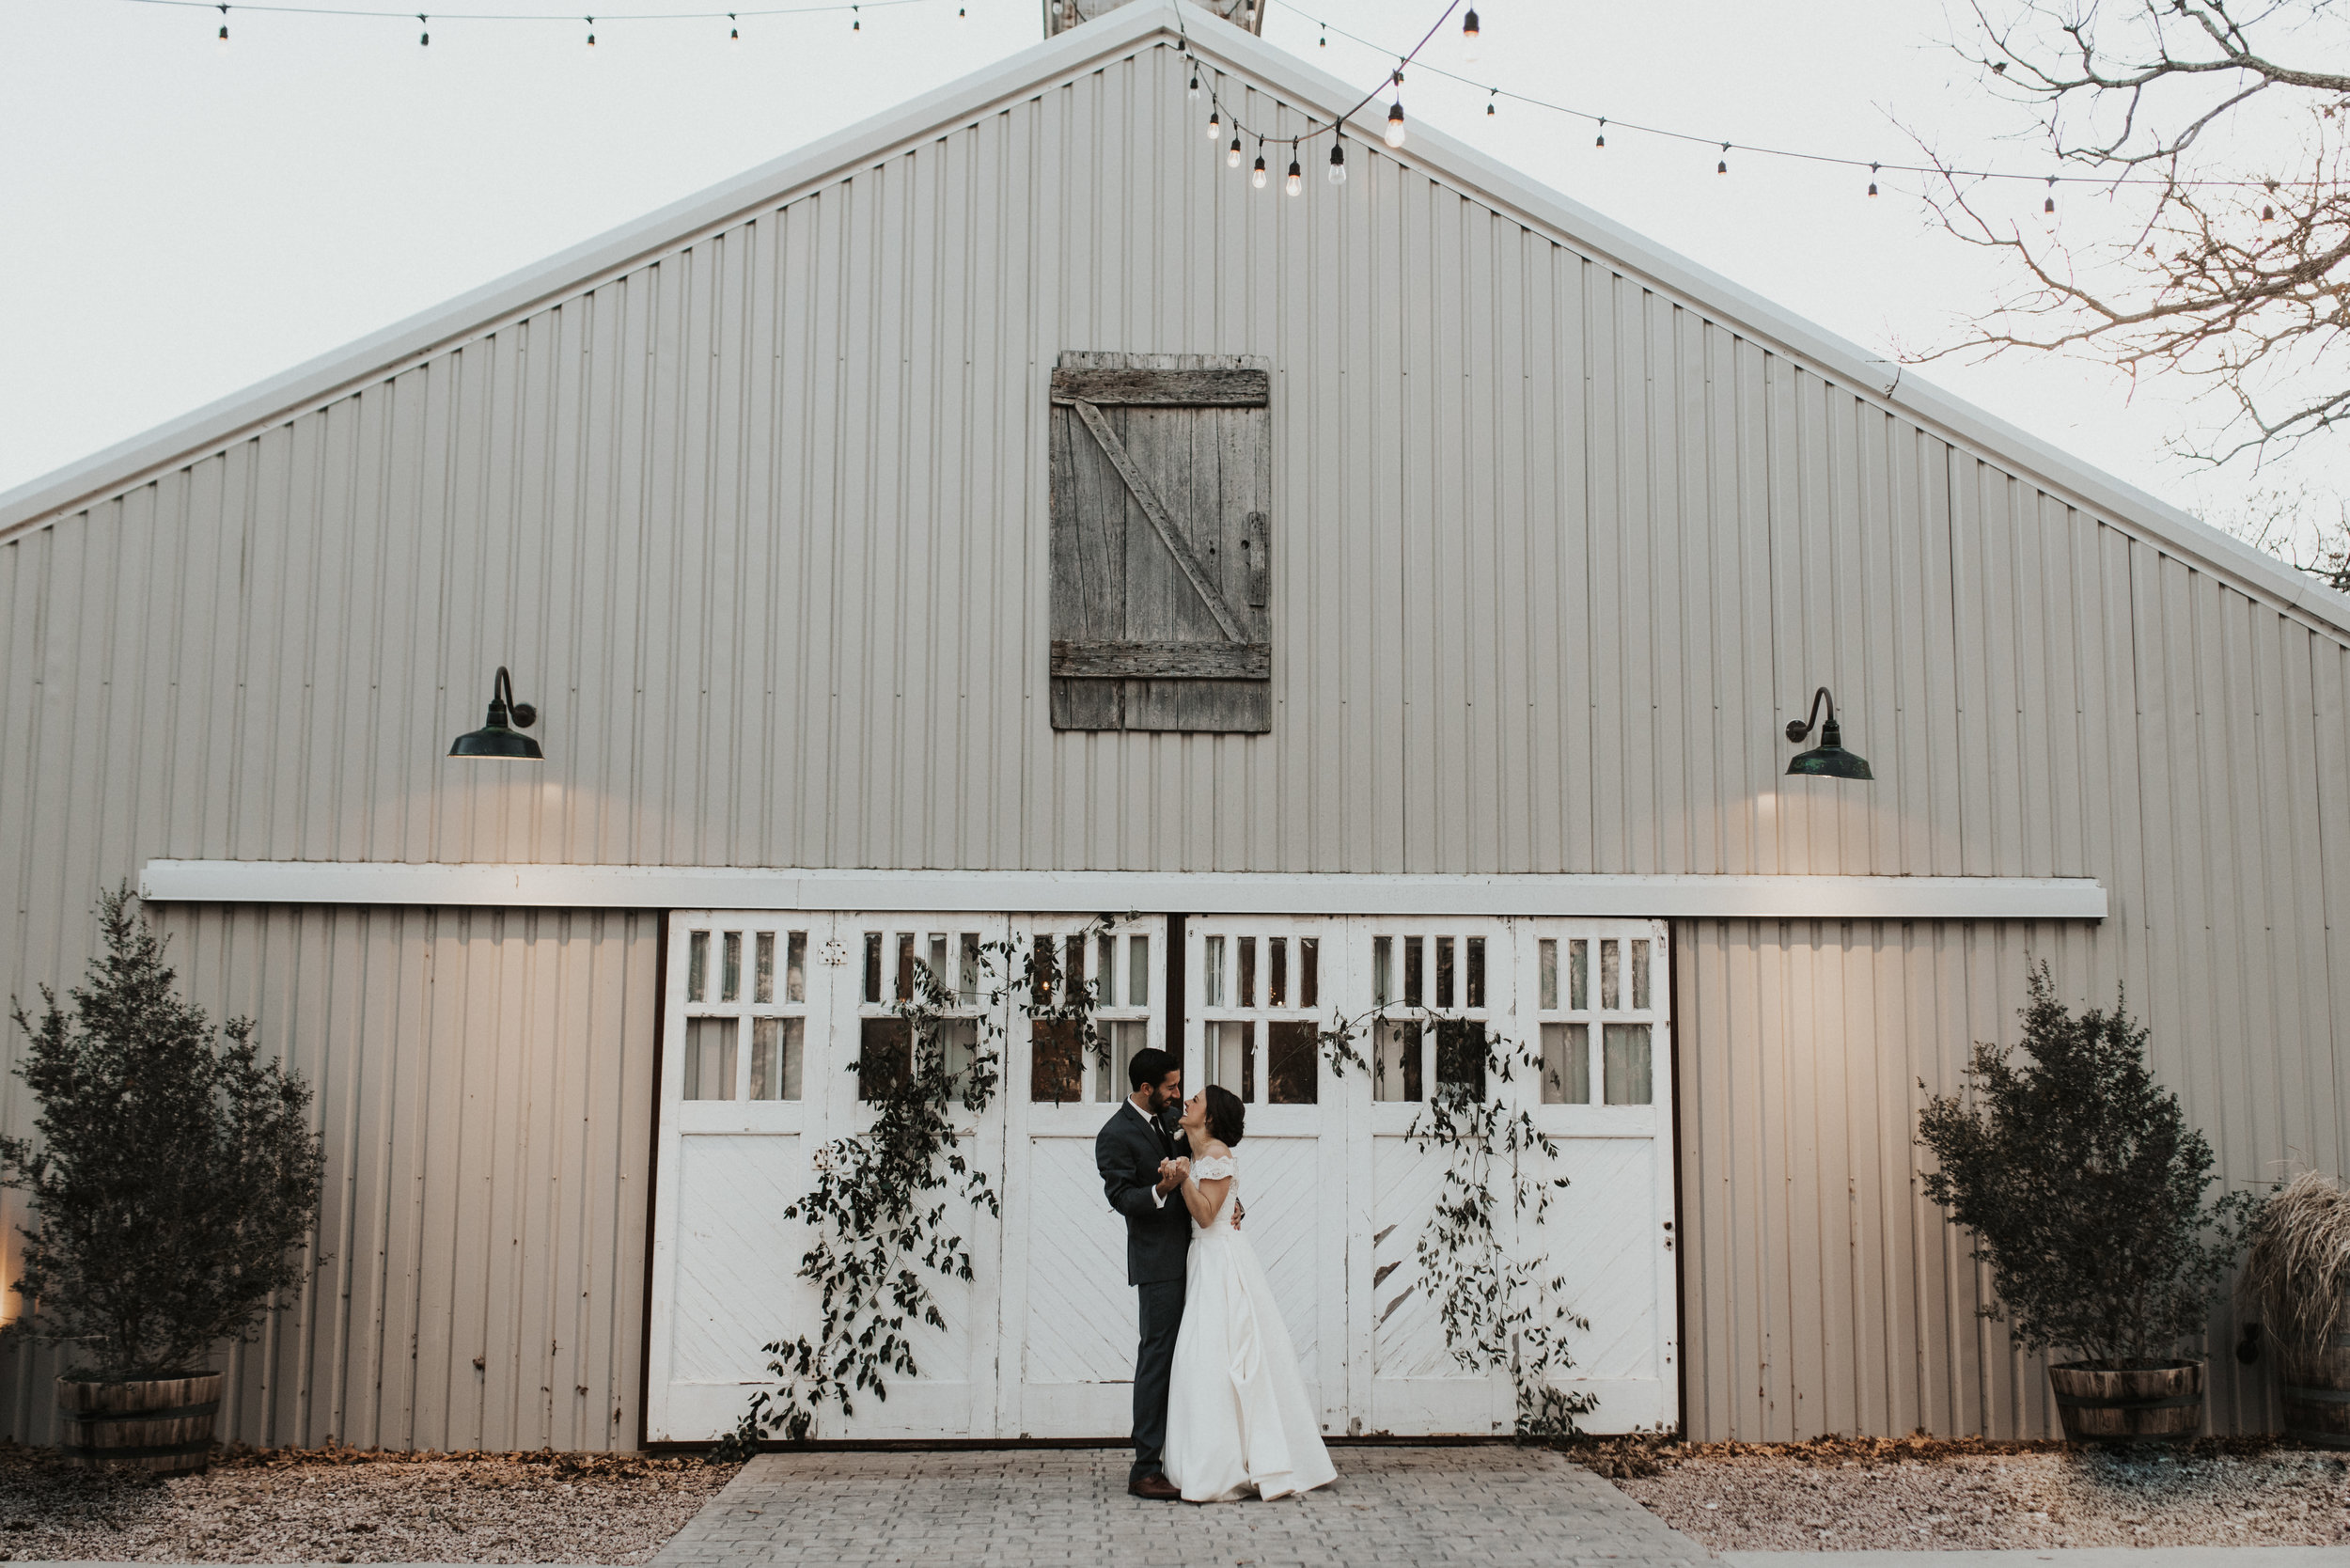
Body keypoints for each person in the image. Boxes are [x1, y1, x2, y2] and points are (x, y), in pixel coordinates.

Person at [1160, 1085, 1338, 1503]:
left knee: (1219, 1353)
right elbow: (1221, 1203)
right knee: (1201, 1356)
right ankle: (1205, 1454)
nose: (1187, 1101)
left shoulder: (1217, 1155)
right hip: (1205, 1259)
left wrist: (1183, 1178)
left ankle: (1232, 1461)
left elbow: (1206, 1216)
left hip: (1222, 1261)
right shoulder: (1197, 1149)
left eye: (1197, 1100)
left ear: (1210, 1117)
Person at [1096, 1047, 1192, 1500]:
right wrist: (1160, 1188)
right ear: (1146, 1088)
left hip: (1198, 1255)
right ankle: (1144, 1469)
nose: (1178, 1093)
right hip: (1158, 1263)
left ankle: (1184, 1454)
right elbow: (1122, 1199)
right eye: (1170, 1086)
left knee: (1190, 1356)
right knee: (1156, 1360)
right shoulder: (1115, 1135)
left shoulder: (1170, 1121)